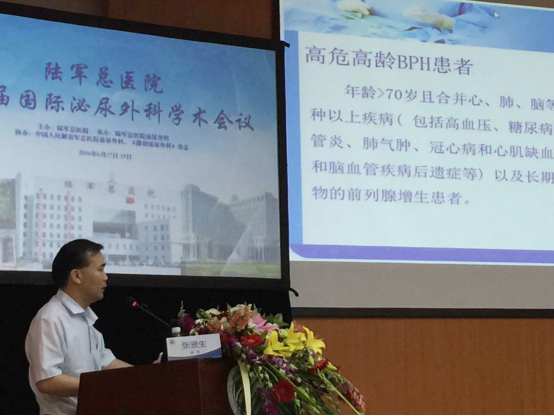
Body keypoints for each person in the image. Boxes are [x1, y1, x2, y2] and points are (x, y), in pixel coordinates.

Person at [25, 239, 132, 415]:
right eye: (100, 269)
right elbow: (47, 381)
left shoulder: (86, 319)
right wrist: (99, 386)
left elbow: (107, 363)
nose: (106, 277)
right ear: (76, 276)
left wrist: (146, 376)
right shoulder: (50, 319)